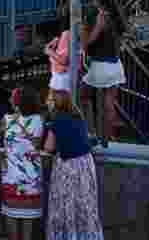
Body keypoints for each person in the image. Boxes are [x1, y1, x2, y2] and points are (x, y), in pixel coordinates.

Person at [43, 90, 102, 240]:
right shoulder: (79, 117)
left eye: (50, 100)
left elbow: (48, 147)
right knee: (85, 205)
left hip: (67, 166)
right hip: (86, 164)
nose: (48, 103)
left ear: (56, 103)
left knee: (65, 204)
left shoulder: (56, 120)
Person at [0, 87, 44, 240]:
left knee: (11, 214)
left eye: (12, 97)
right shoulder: (39, 120)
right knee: (28, 218)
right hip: (31, 177)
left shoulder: (6, 120)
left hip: (10, 175)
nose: (9, 100)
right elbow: (37, 145)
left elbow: (0, 138)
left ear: (19, 101)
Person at [83, 0, 126, 143]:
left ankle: (91, 133)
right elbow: (121, 33)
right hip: (115, 64)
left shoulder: (94, 13)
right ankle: (108, 139)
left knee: (81, 97)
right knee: (109, 104)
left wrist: (97, 29)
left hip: (100, 65)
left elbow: (87, 42)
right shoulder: (115, 12)